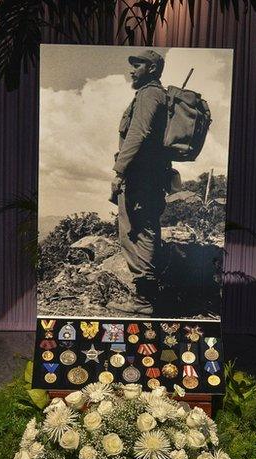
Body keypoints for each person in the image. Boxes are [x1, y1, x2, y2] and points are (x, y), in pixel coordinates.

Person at [106, 49, 172, 316]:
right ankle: (147, 296)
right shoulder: (154, 95)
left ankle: (143, 300)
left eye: (138, 65)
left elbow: (137, 134)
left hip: (140, 178)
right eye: (132, 65)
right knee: (142, 231)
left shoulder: (149, 94)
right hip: (149, 176)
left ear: (153, 69)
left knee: (137, 233)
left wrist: (119, 171)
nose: (132, 70)